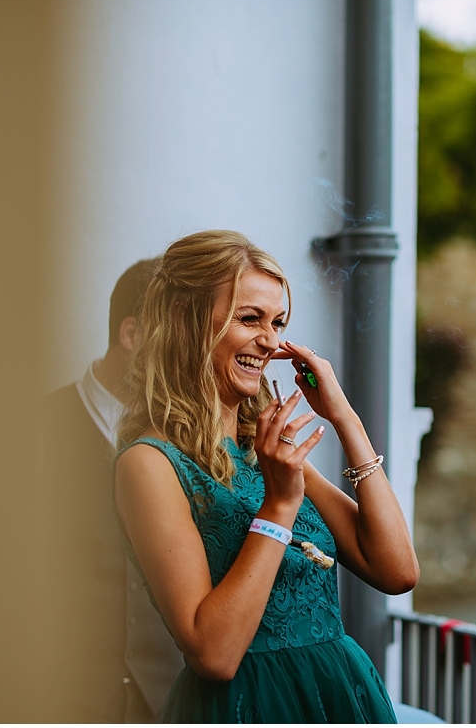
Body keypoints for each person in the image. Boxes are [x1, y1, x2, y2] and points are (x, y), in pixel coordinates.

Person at [113, 229, 418, 723]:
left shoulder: (266, 450)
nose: (271, 341)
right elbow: (211, 654)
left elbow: (396, 571)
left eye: (278, 323)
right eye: (249, 318)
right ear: (187, 324)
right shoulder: (149, 463)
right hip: (249, 705)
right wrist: (278, 507)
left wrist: (345, 419)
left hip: (337, 695)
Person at [39, 258, 183, 722]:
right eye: (177, 340)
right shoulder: (31, 431)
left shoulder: (190, 441)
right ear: (131, 336)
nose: (191, 357)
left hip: (173, 705)